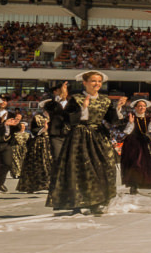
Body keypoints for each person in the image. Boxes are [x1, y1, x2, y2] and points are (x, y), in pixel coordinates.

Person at [48, 72, 123, 216]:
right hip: (79, 136)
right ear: (85, 82)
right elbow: (67, 119)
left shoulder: (105, 100)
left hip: (99, 136)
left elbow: (112, 121)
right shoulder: (76, 99)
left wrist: (118, 108)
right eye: (93, 81)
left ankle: (100, 200)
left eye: (99, 81)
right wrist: (83, 109)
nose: (97, 84)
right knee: (80, 169)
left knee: (106, 166)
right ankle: (79, 201)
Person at [119, 99, 151, 195]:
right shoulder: (131, 117)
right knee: (134, 164)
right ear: (135, 107)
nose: (142, 108)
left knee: (144, 164)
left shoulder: (148, 118)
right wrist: (131, 123)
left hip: (144, 144)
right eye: (140, 106)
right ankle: (133, 185)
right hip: (132, 144)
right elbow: (126, 132)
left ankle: (142, 183)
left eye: (143, 106)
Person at [15, 111, 52, 194]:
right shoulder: (37, 117)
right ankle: (32, 185)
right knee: (35, 163)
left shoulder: (55, 116)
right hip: (39, 142)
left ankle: (50, 184)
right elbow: (34, 130)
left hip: (52, 142)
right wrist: (43, 129)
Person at [41, 84, 72, 166]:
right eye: (61, 90)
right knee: (58, 159)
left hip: (70, 134)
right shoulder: (49, 103)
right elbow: (50, 110)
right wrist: (61, 98)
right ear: (55, 92)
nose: (64, 92)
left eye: (66, 90)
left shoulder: (73, 103)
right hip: (56, 135)